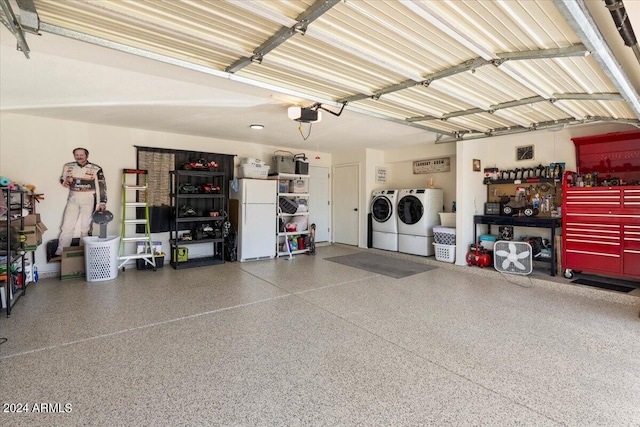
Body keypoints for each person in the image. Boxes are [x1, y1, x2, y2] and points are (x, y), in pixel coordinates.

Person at [55, 148, 107, 256]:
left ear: (87, 156)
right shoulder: (68, 166)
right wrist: (64, 182)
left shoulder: (96, 168)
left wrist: (102, 202)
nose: (79, 157)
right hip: (73, 198)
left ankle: (84, 251)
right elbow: (62, 178)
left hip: (88, 199)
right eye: (76, 155)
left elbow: (101, 185)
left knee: (86, 227)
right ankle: (61, 251)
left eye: (81, 155)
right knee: (66, 225)